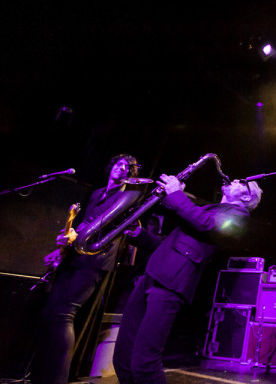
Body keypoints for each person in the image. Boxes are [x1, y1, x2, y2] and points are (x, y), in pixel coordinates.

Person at [112, 176, 263, 383]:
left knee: (144, 362)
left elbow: (207, 225)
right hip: (153, 274)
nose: (234, 179)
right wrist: (140, 235)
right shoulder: (210, 209)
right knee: (123, 358)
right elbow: (170, 245)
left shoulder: (239, 216)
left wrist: (177, 194)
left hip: (172, 283)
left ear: (246, 196)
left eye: (241, 182)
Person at [30, 153, 142, 384]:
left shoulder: (129, 196)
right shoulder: (97, 193)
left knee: (64, 314)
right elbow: (85, 223)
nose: (122, 169)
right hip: (75, 257)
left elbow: (109, 227)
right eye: (119, 164)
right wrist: (67, 241)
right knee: (51, 313)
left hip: (96, 260)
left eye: (127, 168)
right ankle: (42, 374)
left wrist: (79, 235)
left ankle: (57, 379)